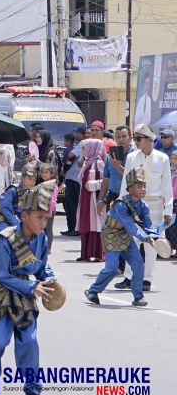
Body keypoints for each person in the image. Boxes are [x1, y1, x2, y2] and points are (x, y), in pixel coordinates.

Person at [0, 180, 57, 395]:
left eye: (46, 218)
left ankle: (32, 389)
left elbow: (42, 265)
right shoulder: (6, 238)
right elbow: (2, 275)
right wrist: (32, 287)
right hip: (0, 295)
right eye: (39, 218)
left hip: (25, 296)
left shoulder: (42, 238)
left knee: (29, 341)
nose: (44, 223)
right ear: (24, 216)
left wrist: (50, 278)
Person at [116, 124, 173, 292]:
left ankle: (146, 279)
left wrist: (168, 211)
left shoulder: (162, 158)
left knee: (151, 244)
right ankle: (128, 277)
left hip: (155, 205)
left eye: (139, 139)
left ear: (149, 140)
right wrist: (120, 204)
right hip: (134, 205)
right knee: (130, 241)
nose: (136, 142)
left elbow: (167, 186)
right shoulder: (132, 157)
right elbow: (126, 182)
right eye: (135, 138)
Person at [85, 165, 152, 307]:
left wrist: (157, 234)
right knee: (112, 268)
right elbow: (130, 226)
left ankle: (138, 297)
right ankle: (93, 291)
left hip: (126, 236)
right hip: (112, 235)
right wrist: (145, 238)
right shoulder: (120, 205)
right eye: (140, 186)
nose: (144, 189)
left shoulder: (143, 205)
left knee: (139, 263)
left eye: (144, 186)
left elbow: (148, 226)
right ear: (130, 188)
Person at [76, 139, 105, 262]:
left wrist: (92, 184)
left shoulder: (99, 163)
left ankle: (98, 254)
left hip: (94, 199)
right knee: (86, 224)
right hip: (85, 199)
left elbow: (105, 181)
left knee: (95, 224)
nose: (83, 151)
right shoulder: (87, 162)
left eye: (84, 148)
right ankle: (86, 254)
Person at [39, 163, 59, 251]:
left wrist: (50, 210)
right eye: (42, 172)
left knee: (48, 229)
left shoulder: (53, 185)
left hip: (49, 210)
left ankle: (49, 248)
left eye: (46, 172)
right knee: (42, 228)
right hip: (42, 208)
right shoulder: (42, 184)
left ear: (51, 174)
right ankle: (43, 247)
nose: (44, 174)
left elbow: (53, 200)